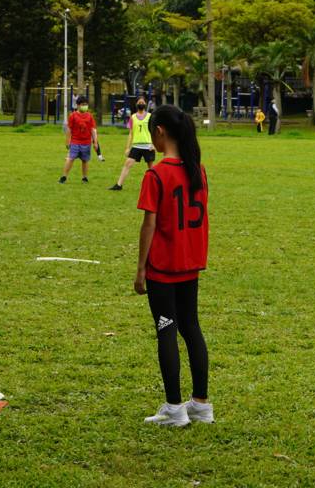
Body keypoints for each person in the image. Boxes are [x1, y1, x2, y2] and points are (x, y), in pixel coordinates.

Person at [133, 105, 211, 427]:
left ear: (160, 132)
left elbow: (148, 225)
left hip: (164, 268)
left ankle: (175, 409)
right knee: (191, 327)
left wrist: (140, 269)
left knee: (166, 329)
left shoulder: (156, 175)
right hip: (189, 266)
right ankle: (202, 405)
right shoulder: (198, 170)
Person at [111, 98, 154, 191]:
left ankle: (156, 185)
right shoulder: (133, 117)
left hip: (148, 146)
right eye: (139, 102)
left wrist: (153, 144)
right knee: (127, 164)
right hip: (136, 146)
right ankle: (119, 185)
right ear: (136, 104)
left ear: (145, 104)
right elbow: (131, 133)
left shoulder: (150, 116)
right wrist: (127, 148)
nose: (141, 103)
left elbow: (154, 132)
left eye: (143, 102)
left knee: (151, 168)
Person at [60, 96, 98, 184]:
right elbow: (69, 129)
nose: (84, 106)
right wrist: (67, 141)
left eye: (86, 104)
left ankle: (84, 178)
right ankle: (64, 177)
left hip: (86, 142)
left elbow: (93, 129)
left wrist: (95, 142)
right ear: (77, 105)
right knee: (70, 159)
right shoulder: (73, 116)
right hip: (75, 142)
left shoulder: (89, 116)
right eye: (82, 104)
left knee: (85, 160)